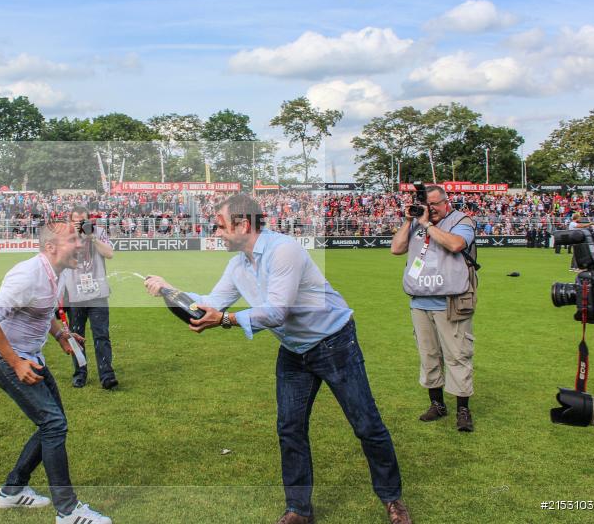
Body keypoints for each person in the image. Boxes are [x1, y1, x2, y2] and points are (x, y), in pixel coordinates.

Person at [144, 194, 410, 524]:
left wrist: (225, 320)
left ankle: (392, 499)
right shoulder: (238, 264)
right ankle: (298, 509)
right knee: (290, 428)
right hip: (295, 351)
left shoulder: (284, 250)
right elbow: (212, 302)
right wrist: (171, 290)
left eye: (220, 226)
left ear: (243, 224)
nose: (216, 232)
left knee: (366, 424)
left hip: (334, 343)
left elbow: (276, 313)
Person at [0, 221, 112, 524]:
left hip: (29, 356)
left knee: (54, 424)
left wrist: (61, 334)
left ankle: (12, 490)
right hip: (7, 360)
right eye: (73, 240)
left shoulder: (56, 273)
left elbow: (44, 309)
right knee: (53, 424)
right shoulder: (28, 275)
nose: (81, 244)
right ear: (51, 248)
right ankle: (68, 511)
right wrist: (16, 362)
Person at [391, 185, 477, 433]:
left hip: (451, 300)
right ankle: (437, 404)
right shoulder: (417, 221)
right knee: (428, 355)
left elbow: (456, 244)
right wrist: (409, 221)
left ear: (446, 202)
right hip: (420, 300)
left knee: (457, 355)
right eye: (428, 205)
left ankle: (463, 409)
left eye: (435, 204)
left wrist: (428, 225)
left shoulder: (461, 220)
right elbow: (396, 249)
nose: (432, 209)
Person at [64, 206, 118, 389]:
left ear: (89, 220)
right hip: (74, 294)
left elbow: (109, 253)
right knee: (76, 336)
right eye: (75, 220)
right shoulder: (65, 235)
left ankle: (106, 374)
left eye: (83, 220)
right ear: (70, 221)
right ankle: (80, 373)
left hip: (98, 293)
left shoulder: (99, 232)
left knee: (101, 335)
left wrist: (91, 237)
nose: (79, 224)